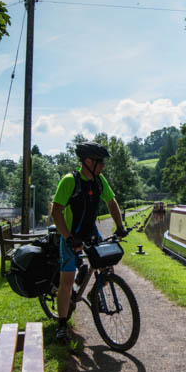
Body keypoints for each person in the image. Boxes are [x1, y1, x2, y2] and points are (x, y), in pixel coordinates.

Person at [50, 141, 128, 343]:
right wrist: (68, 238)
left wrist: (120, 226)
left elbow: (111, 202)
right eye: (100, 161)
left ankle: (95, 292)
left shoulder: (99, 181)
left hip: (91, 233)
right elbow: (56, 212)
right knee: (67, 281)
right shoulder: (70, 181)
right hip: (71, 234)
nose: (103, 166)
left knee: (107, 268)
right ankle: (62, 325)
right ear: (87, 161)